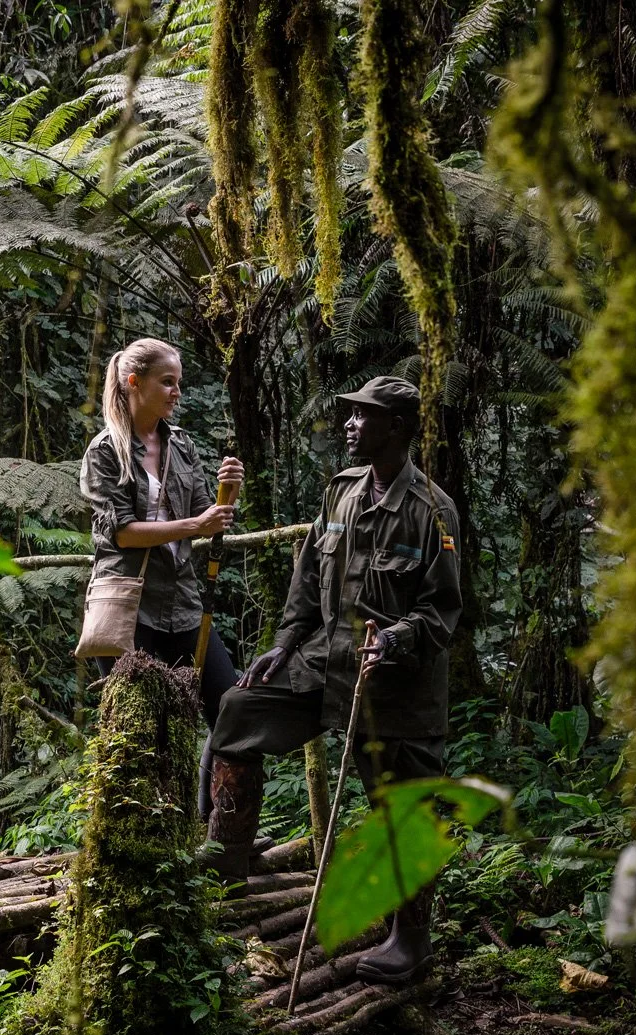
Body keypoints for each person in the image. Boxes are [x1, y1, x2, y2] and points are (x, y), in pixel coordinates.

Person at [205, 375, 462, 985]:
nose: (348, 425)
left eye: (362, 417)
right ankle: (223, 875)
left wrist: (396, 638)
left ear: (396, 428)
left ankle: (412, 940)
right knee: (239, 710)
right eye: (348, 416)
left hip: (393, 685)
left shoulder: (433, 510)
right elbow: (307, 575)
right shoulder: (341, 493)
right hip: (324, 662)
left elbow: (441, 610)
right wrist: (284, 643)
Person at [79, 338, 244, 814]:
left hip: (183, 604)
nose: (177, 392)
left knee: (230, 711)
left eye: (179, 383)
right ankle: (142, 849)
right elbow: (122, 533)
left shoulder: (182, 444)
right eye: (167, 382)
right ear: (134, 382)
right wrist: (197, 524)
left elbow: (203, 517)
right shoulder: (106, 451)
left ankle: (217, 833)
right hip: (130, 609)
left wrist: (226, 493)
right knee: (139, 733)